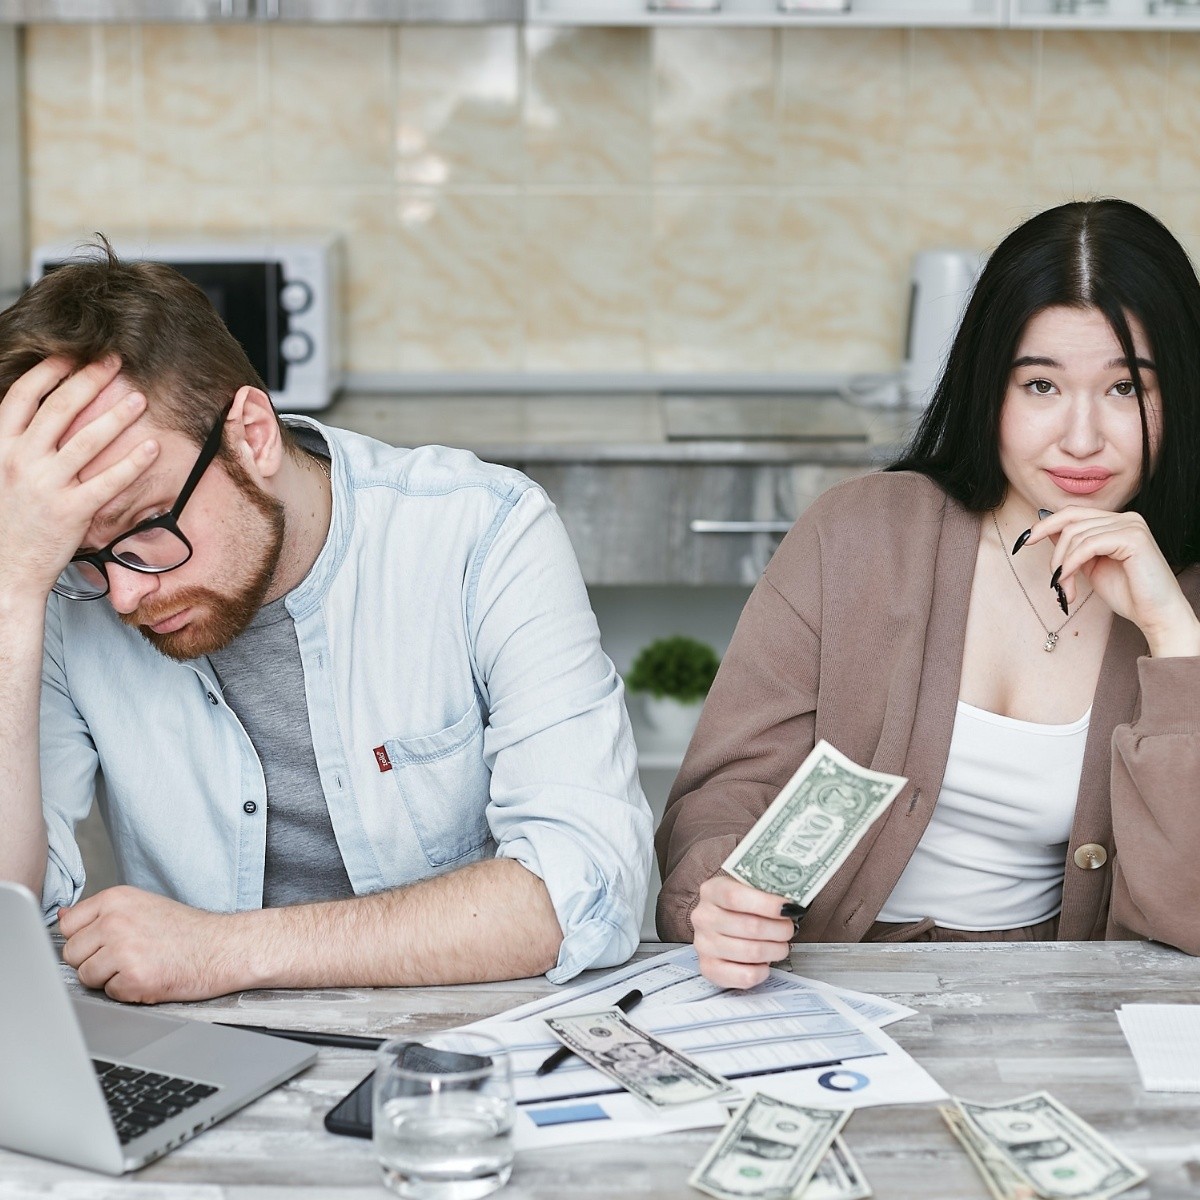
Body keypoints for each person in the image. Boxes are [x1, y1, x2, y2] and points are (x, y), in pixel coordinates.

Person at [0, 244, 653, 1003]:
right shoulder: (57, 586)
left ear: (253, 434)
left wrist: (223, 951)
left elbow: (587, 885)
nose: (121, 595)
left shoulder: (481, 534)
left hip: (465, 1056)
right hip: (208, 1058)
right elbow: (8, 914)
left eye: (148, 525)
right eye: (87, 554)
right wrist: (15, 589)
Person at [655, 198, 1200, 987]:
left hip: (1066, 1009)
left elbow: (1188, 922)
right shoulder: (858, 533)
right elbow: (724, 792)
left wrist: (1174, 638)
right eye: (1041, 386)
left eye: (1125, 389)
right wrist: (721, 890)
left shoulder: (1184, 602)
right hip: (828, 985)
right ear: (989, 389)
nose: (1082, 438)